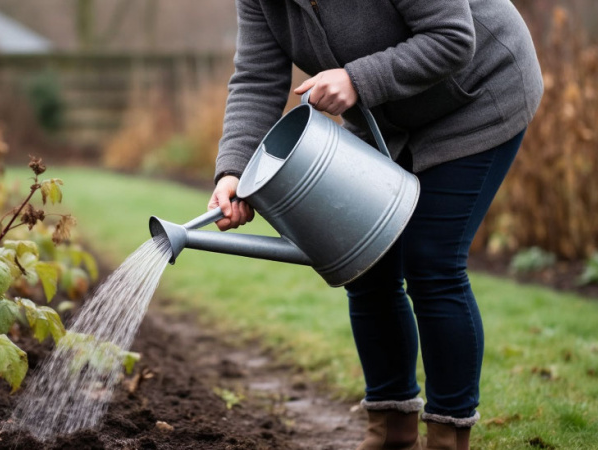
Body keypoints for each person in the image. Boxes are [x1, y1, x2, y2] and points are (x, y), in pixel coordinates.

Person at [207, 1, 544, 449]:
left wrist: (356, 80)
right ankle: (390, 431)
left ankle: (448, 437)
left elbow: (452, 36)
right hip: (384, 114)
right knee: (367, 264)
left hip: (476, 93)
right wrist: (233, 170)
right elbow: (256, 78)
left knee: (432, 260)